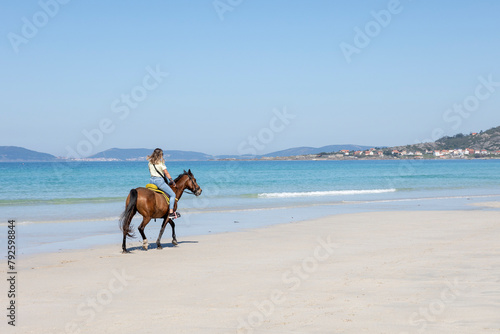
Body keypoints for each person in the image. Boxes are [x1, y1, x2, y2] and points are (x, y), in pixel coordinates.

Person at [147, 148, 180, 219]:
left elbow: (150, 171)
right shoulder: (160, 163)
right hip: (159, 181)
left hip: (151, 181)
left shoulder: (150, 163)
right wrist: (172, 181)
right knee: (172, 195)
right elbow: (166, 173)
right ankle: (171, 212)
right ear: (160, 155)